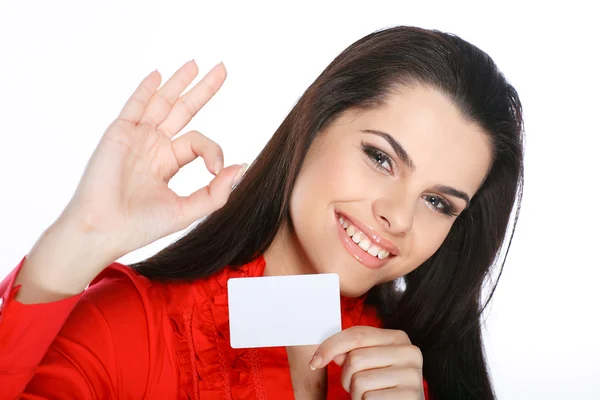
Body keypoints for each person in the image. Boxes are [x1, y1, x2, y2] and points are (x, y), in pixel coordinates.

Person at [0, 25, 524, 399]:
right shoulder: (137, 326)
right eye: (380, 158)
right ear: (314, 125)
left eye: (437, 202)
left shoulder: (414, 376)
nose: (399, 218)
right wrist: (80, 236)